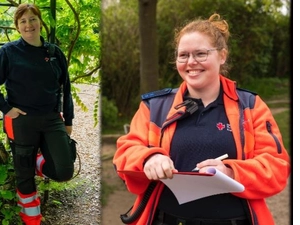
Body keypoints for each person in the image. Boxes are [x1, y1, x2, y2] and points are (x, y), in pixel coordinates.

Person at [113, 13, 290, 225]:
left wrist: (230, 172)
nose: (191, 62)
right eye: (183, 55)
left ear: (222, 56)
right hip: (165, 219)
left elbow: (277, 167)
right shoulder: (155, 107)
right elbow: (125, 152)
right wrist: (148, 158)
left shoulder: (250, 106)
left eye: (200, 54)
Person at [0, 3, 75, 225]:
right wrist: (6, 109)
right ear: (17, 26)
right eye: (22, 21)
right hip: (21, 121)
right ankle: (31, 220)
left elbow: (66, 88)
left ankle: (39, 159)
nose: (28, 24)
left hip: (52, 119)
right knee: (24, 177)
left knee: (64, 170)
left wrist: (68, 120)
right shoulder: (9, 52)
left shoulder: (54, 53)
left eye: (32, 19)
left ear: (40, 22)